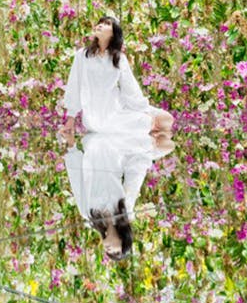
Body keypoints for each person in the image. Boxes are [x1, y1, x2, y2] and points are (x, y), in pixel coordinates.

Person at [61, 16, 173, 260]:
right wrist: (70, 120)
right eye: (115, 251)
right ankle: (150, 127)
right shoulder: (83, 56)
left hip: (115, 116)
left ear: (114, 33)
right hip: (96, 119)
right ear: (123, 242)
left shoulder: (89, 215)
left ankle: (150, 123)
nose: (99, 25)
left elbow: (131, 91)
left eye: (105, 24)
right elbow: (74, 86)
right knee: (162, 125)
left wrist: (143, 110)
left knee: (165, 122)